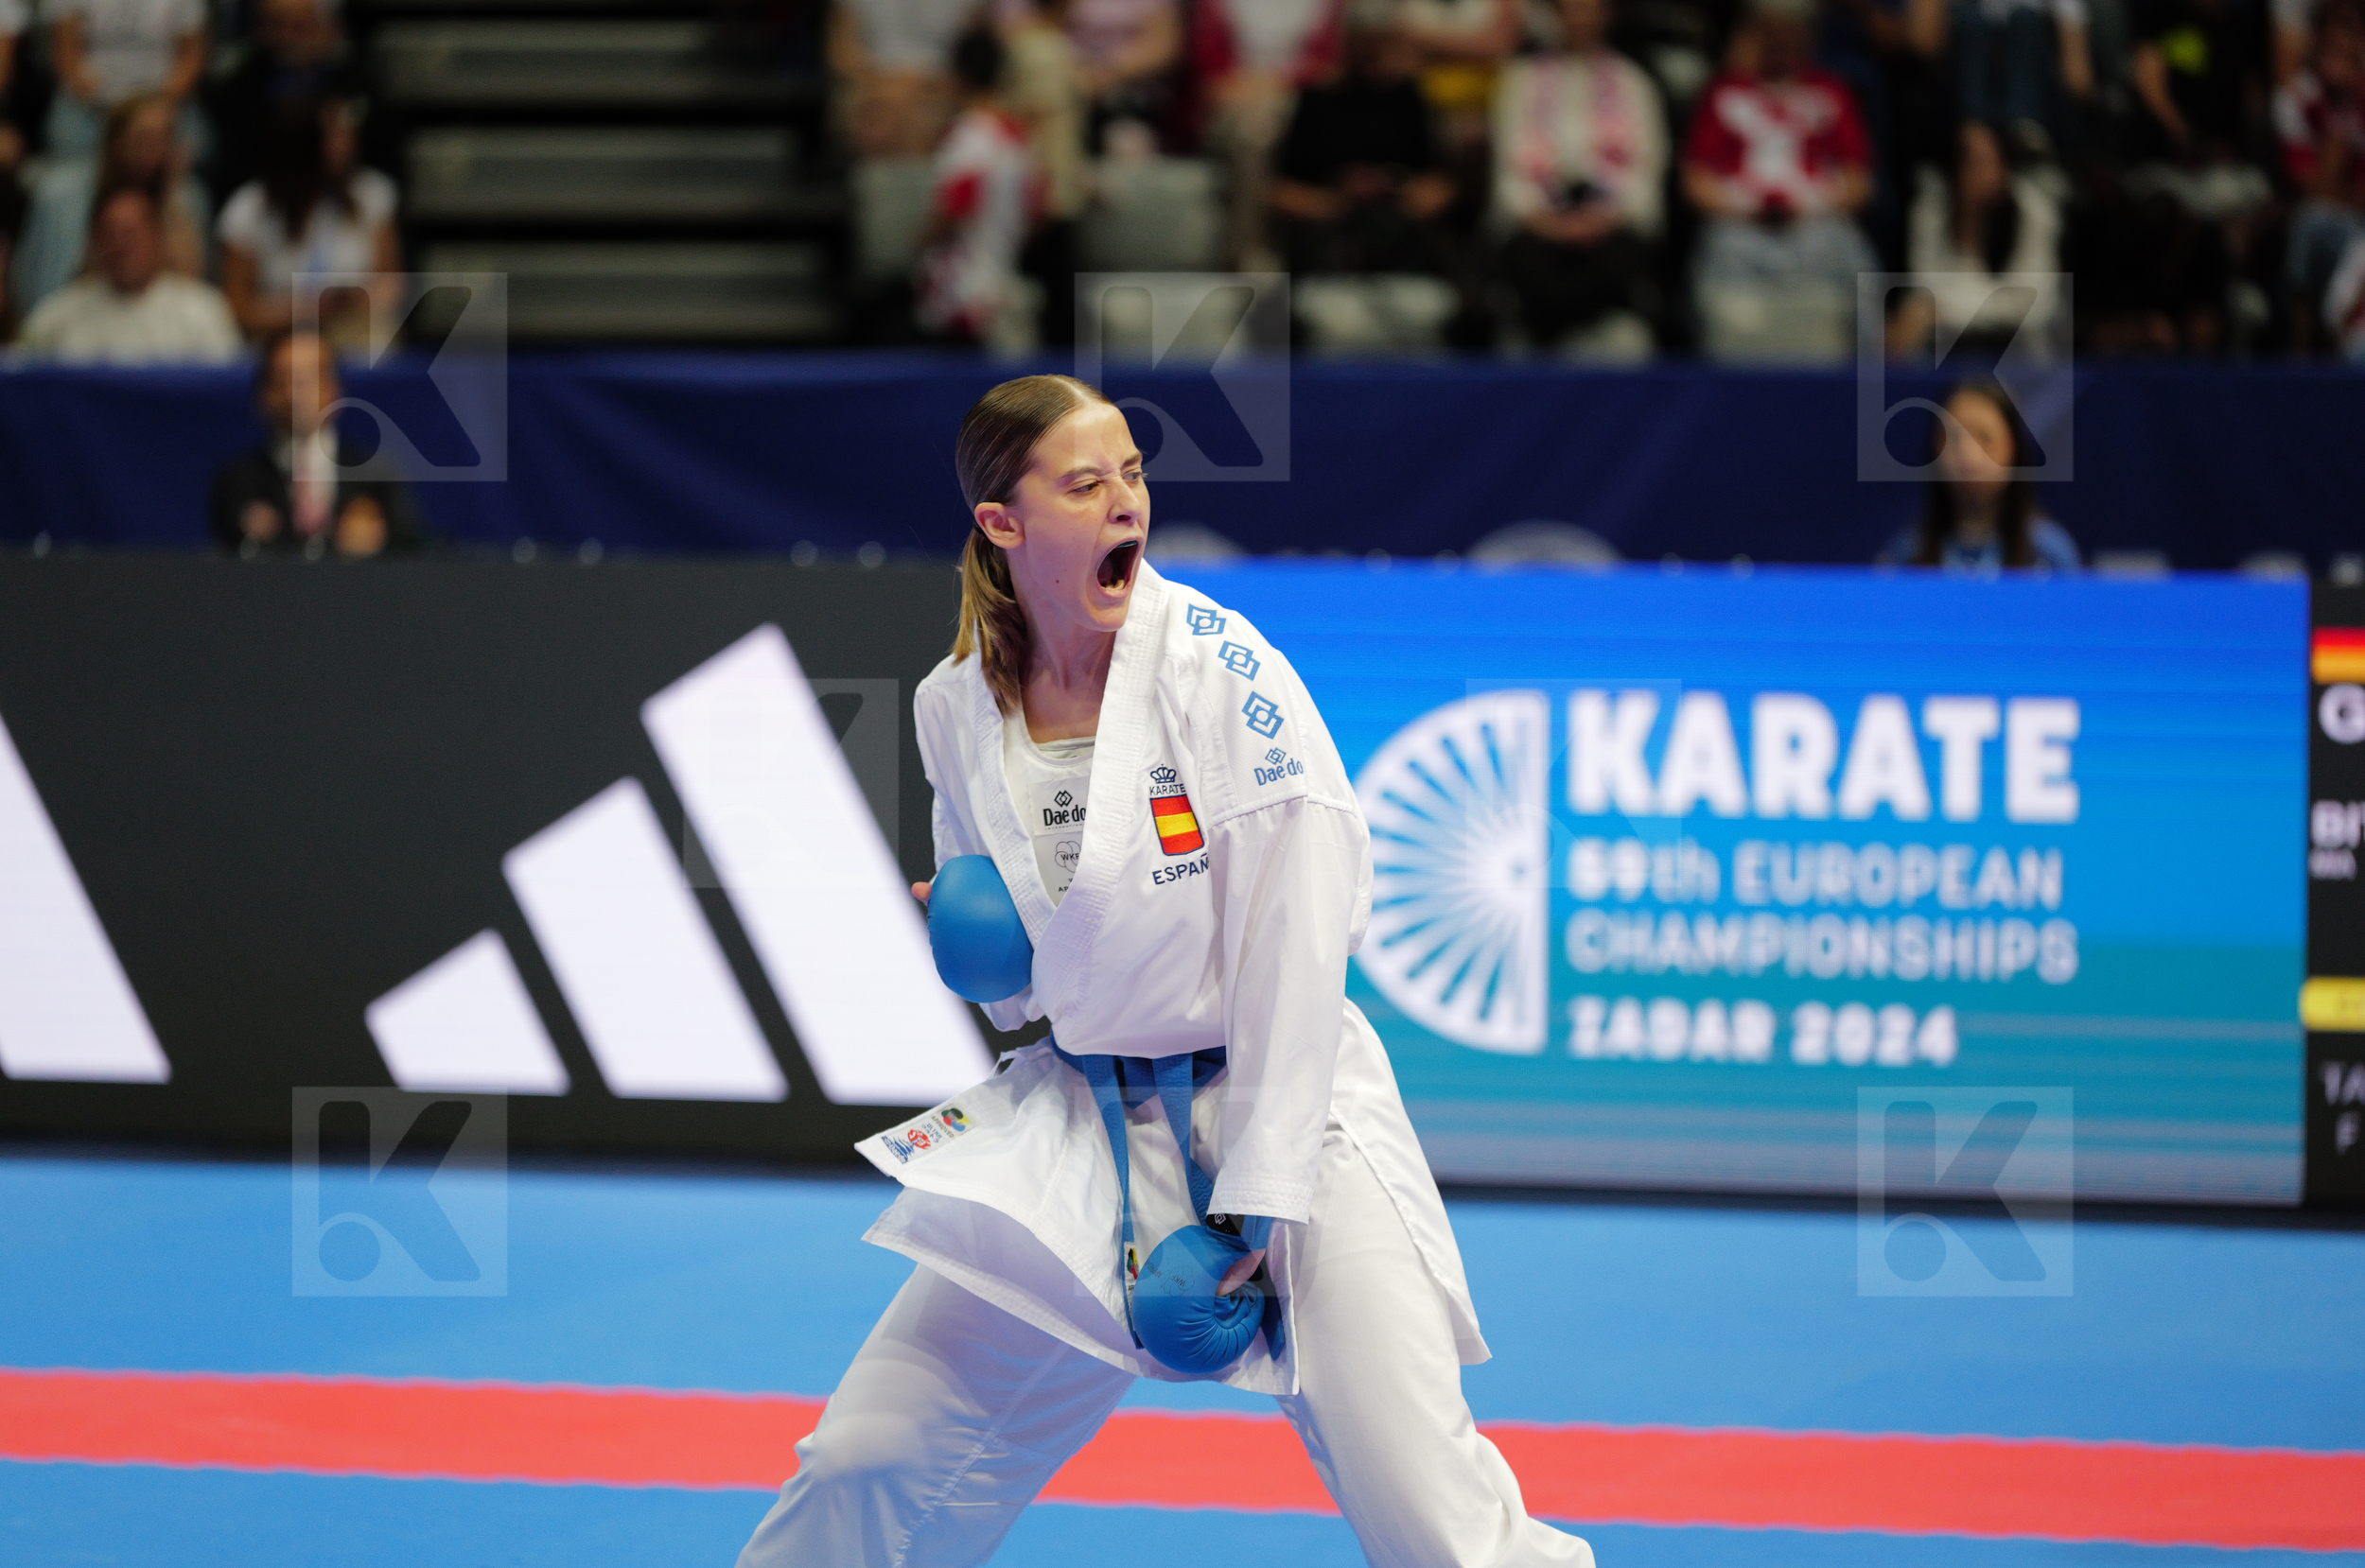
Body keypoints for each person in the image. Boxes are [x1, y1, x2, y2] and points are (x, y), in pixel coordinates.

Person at [734, 374, 1595, 1568]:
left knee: (1431, 1516)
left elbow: (1303, 933)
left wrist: (1255, 1195)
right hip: (1085, 1120)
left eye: (1132, 474)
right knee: (869, 1458)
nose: (1123, 502)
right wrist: (979, 949)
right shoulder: (954, 706)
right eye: (1084, 484)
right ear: (1003, 522)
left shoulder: (1218, 671)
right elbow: (1022, 996)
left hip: (1283, 1111)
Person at [1682, 0, 1879, 344]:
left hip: (1816, 224)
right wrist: (1745, 209)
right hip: (1740, 226)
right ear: (1756, 35)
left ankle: (1868, 373)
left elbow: (1859, 183)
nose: (1782, 42)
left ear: (1808, 37)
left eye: (1791, 33)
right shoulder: (1725, 92)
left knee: (1854, 255)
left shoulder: (1831, 92)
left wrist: (1810, 206)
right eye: (1772, 32)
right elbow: (1696, 181)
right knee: (1715, 250)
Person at [1492, 0, 1670, 351]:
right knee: (1531, 267)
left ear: (1608, 14)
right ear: (1556, 16)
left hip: (1609, 227)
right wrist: (1549, 224)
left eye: (1590, 8)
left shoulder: (1634, 82)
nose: (1581, 18)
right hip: (1540, 226)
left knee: (1619, 270)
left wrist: (1601, 220)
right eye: (1571, 9)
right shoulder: (1521, 80)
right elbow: (1507, 171)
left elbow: (1646, 172)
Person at [209, 326, 428, 559]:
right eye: (283, 379)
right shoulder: (239, 480)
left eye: (308, 379)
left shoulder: (374, 476)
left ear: (335, 388)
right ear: (262, 395)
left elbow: (414, 548)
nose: (295, 395)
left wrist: (378, 539)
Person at [217, 96, 399, 342]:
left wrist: (356, 300)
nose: (345, 144)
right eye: (332, 137)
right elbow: (237, 309)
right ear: (299, 146)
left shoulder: (372, 195)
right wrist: (305, 311)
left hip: (353, 332)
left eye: (346, 134)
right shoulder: (247, 211)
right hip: (273, 338)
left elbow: (391, 283)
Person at [10, 90, 206, 316]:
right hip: (79, 326)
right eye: (143, 139)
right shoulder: (60, 198)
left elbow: (191, 292)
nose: (153, 152)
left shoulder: (185, 198)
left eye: (163, 140)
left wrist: (170, 195)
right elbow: (43, 293)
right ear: (115, 140)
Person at [1889, 118, 2067, 357]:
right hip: (1949, 343)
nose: (1983, 175)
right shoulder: (1930, 212)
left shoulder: (2036, 212)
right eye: (1971, 163)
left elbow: (2035, 304)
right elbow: (1926, 290)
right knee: (1903, 336)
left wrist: (1949, 308)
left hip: (2021, 346)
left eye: (1990, 161)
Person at [13, 182, 237, 359]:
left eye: (130, 234)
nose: (120, 246)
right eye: (110, 235)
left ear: (157, 237)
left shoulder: (203, 312)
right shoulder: (56, 317)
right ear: (95, 242)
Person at [915, 27, 1036, 345]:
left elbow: (953, 211)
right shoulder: (1016, 137)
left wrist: (917, 244)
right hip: (1003, 279)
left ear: (959, 76)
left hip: (963, 293)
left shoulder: (970, 136)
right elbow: (1038, 211)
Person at [1882, 379, 2078, 570]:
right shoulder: (1907, 555)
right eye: (1954, 438)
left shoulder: (2049, 556)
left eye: (1985, 438)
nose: (1969, 458)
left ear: (2014, 448)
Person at [202, 0, 363, 206]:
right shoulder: (240, 90)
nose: (288, 38)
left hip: (336, 194)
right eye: (278, 25)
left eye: (299, 27)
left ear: (324, 27)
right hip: (266, 195)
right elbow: (234, 165)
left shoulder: (350, 85)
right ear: (262, 29)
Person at [2276, 0, 2365, 350]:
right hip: (2323, 221)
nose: (2338, 61)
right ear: (2315, 49)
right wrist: (2337, 141)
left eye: (2348, 50)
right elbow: (2309, 187)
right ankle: (2301, 352)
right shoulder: (2296, 98)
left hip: (2359, 222)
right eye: (2331, 49)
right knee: (2309, 225)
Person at [44, 0, 205, 157]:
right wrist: (102, 102)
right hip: (91, 102)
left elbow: (191, 56)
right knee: (68, 143)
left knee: (199, 149)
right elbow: (66, 53)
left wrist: (158, 107)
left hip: (161, 101)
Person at [832, 0, 978, 157]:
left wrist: (929, 86)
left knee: (928, 115)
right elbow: (841, 51)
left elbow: (977, 52)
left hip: (941, 84)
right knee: (878, 118)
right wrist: (885, 85)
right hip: (874, 82)